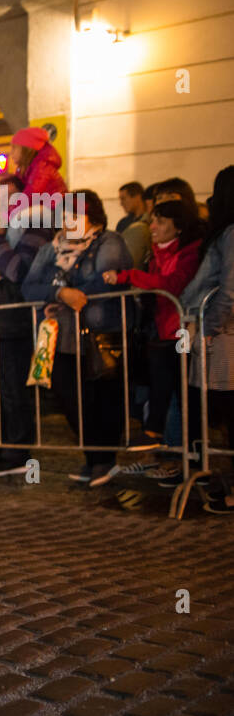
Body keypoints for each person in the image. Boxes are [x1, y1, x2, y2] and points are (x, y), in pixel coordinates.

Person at [23, 190, 133, 486]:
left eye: (74, 215)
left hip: (99, 332)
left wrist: (72, 290)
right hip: (62, 336)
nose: (67, 221)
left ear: (92, 217)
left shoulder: (108, 242)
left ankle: (104, 460)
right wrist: (59, 293)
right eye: (63, 216)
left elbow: (107, 281)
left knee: (102, 398)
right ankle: (92, 458)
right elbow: (29, 286)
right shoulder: (51, 248)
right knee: (70, 397)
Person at [106, 200, 203, 480]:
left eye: (160, 221)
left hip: (182, 332)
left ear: (179, 226)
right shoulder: (156, 253)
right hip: (160, 330)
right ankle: (159, 449)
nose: (153, 227)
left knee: (180, 397)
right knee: (160, 390)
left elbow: (172, 284)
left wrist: (129, 276)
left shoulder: (189, 253)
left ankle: (181, 457)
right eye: (153, 221)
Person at [0, 175, 56, 476]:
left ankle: (18, 452)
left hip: (13, 318)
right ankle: (6, 442)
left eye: (4, 195)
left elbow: (19, 271)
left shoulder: (34, 225)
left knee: (12, 387)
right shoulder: (3, 228)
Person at [182, 165, 234, 512]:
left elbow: (230, 289)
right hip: (221, 332)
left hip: (224, 336)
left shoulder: (230, 233)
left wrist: (209, 326)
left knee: (229, 413)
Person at [116, 181, 151, 268]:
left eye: (123, 198)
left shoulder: (151, 221)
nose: (121, 203)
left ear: (137, 197)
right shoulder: (122, 223)